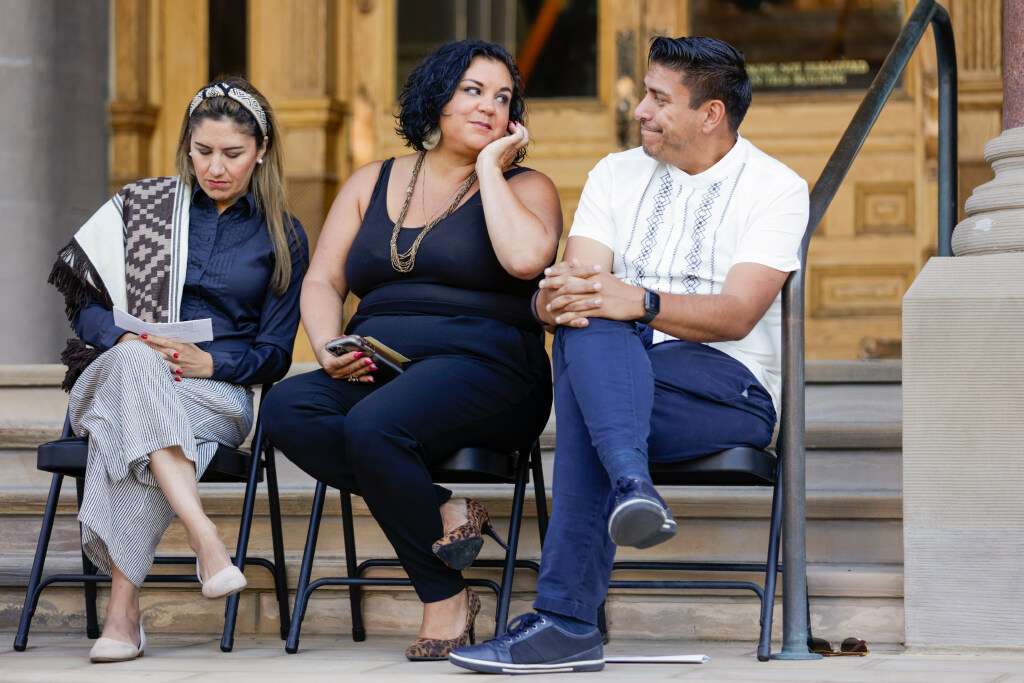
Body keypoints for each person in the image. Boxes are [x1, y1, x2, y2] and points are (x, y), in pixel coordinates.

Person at [450, 36, 809, 674]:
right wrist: (550, 304)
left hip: (727, 392)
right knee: (592, 332)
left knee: (597, 378)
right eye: (644, 93)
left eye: (658, 98)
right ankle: (631, 486)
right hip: (623, 379)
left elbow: (736, 316)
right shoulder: (616, 174)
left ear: (710, 114)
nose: (640, 109)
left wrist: (638, 300)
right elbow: (576, 290)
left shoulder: (777, 188)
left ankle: (567, 623)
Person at [260, 40, 561, 661]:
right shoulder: (373, 180)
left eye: (502, 97)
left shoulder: (527, 186)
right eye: (473, 91)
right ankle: (447, 508)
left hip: (489, 367)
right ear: (437, 96)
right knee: (289, 408)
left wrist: (486, 171)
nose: (488, 107)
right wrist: (327, 345)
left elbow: (527, 260)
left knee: (375, 426)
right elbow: (322, 282)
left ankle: (444, 598)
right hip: (381, 360)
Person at [47, 76, 307, 663]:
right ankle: (205, 538)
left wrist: (211, 360)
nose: (216, 167)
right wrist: (132, 338)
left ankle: (123, 613)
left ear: (261, 151)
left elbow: (276, 352)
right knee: (135, 366)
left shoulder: (281, 234)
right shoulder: (143, 208)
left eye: (233, 154)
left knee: (129, 429)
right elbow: (85, 306)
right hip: (118, 371)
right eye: (203, 151)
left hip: (216, 392)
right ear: (187, 147)